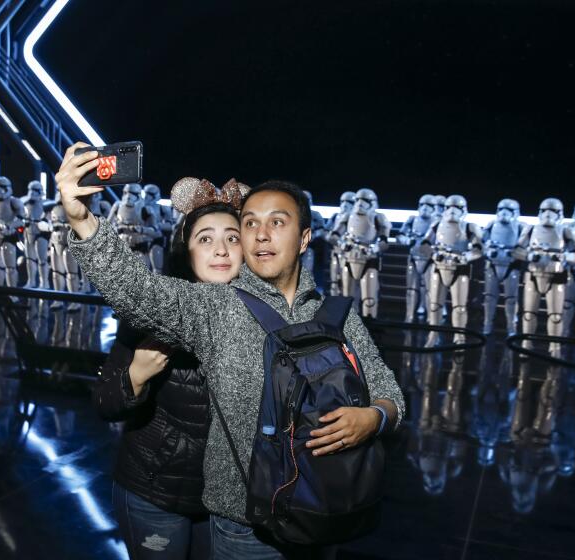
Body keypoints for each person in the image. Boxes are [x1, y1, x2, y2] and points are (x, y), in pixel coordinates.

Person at [58, 143, 405, 558]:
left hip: (325, 515)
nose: (261, 233)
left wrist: (375, 416)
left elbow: (389, 390)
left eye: (278, 222)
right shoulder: (218, 307)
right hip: (245, 531)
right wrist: (82, 220)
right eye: (252, 223)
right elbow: (137, 290)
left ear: (305, 238)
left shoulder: (338, 315)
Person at [94, 178, 247, 560]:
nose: (221, 250)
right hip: (156, 493)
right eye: (206, 239)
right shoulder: (153, 312)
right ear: (186, 250)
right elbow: (105, 403)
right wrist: (137, 375)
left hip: (232, 504)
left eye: (232, 238)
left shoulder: (264, 317)